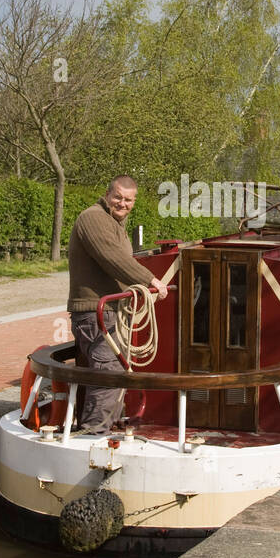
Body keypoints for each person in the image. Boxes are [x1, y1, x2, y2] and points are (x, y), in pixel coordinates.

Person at [67, 175, 168, 435]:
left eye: (128, 199)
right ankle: (92, 436)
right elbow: (112, 258)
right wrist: (150, 280)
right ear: (107, 194)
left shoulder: (115, 222)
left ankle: (104, 430)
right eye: (118, 197)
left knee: (116, 372)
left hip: (113, 311)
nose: (122, 203)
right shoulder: (93, 218)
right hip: (94, 313)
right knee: (107, 374)